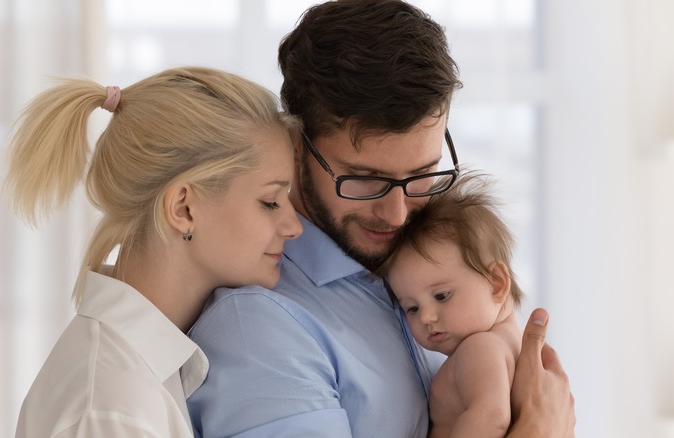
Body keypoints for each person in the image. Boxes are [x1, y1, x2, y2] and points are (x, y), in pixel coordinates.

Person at [187, 1, 575, 437]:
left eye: (422, 174)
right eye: (366, 180)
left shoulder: (439, 272)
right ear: (296, 147)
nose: (397, 213)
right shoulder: (259, 328)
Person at [5, 66, 303, 437]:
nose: (295, 227)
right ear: (183, 208)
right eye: (271, 201)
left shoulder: (142, 372)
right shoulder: (114, 409)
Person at [377, 172, 524, 437]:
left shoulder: (480, 348)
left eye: (442, 295)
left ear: (496, 283)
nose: (427, 317)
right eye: (412, 308)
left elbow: (491, 418)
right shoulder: (514, 346)